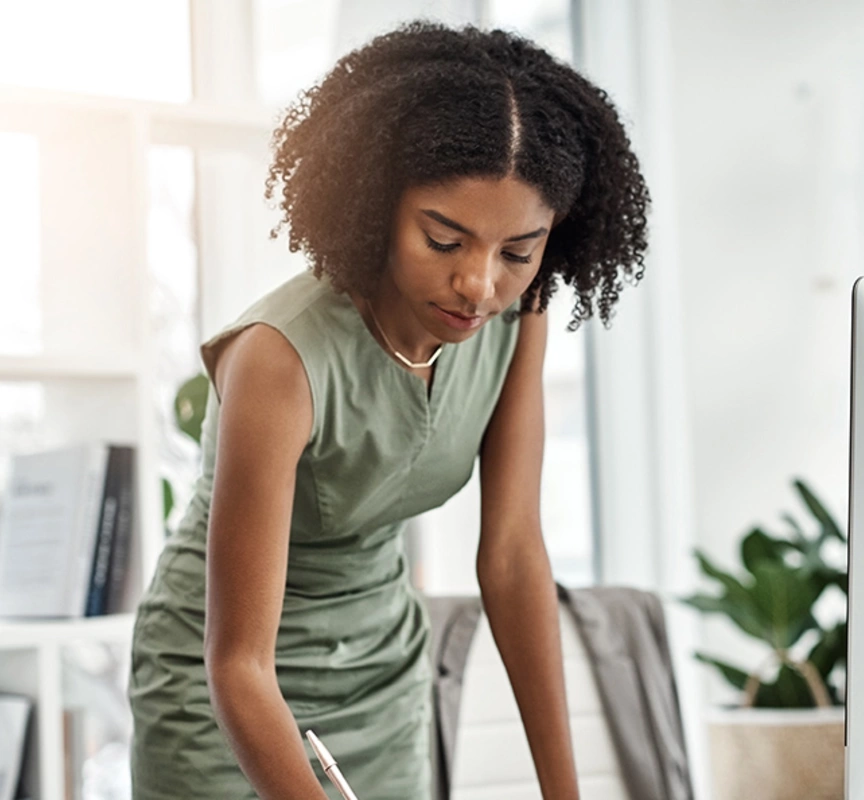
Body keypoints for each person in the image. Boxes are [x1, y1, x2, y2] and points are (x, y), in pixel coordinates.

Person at [128, 18, 649, 800]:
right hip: (223, 696)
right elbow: (238, 664)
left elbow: (510, 556)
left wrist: (563, 792)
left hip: (379, 679)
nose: (480, 285)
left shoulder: (519, 315)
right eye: (445, 241)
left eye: (517, 250)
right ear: (376, 203)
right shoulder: (281, 358)